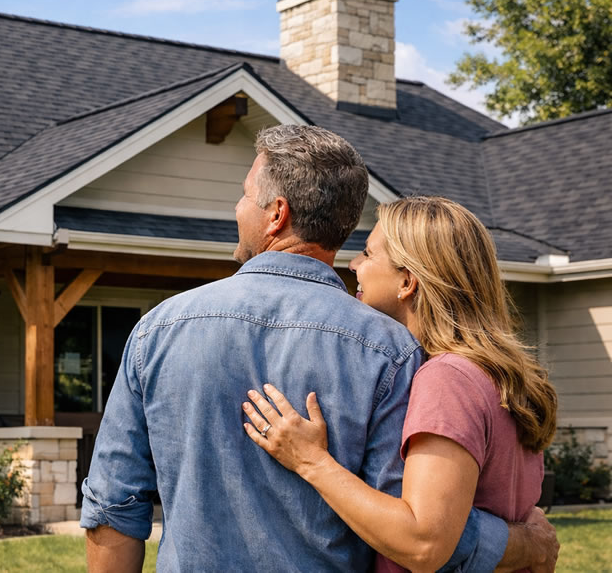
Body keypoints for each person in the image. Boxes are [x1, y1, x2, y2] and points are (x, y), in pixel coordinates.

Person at [81, 125, 555, 572]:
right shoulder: (392, 351)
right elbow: (409, 522)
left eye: (246, 195)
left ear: (277, 214)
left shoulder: (157, 330)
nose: (236, 208)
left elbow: (114, 502)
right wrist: (517, 541)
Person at [242, 196, 560, 572]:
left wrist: (311, 461)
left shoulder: (448, 379)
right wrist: (527, 546)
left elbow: (422, 542)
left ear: (407, 281)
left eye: (368, 253)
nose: (353, 263)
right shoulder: (496, 375)